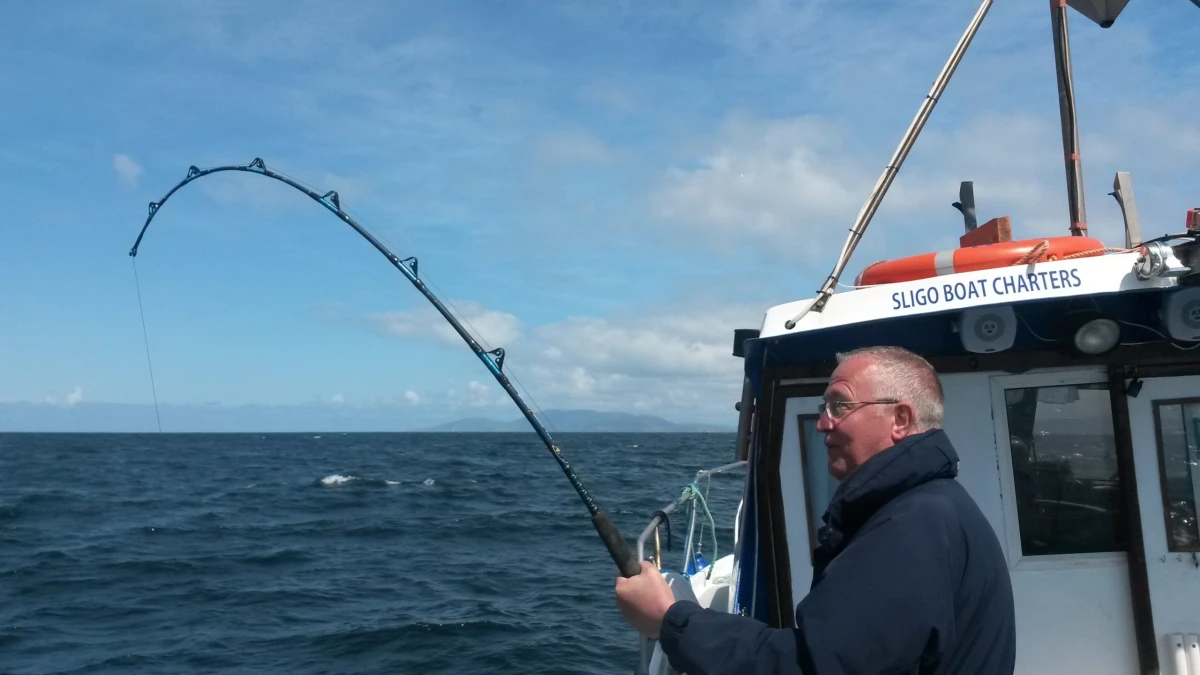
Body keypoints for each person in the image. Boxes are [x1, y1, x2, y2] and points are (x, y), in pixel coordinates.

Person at [615, 345, 1016, 674]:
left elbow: (813, 667)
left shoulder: (913, 525)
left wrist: (670, 620)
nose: (823, 424)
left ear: (900, 418)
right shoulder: (930, 506)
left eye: (840, 406)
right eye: (824, 408)